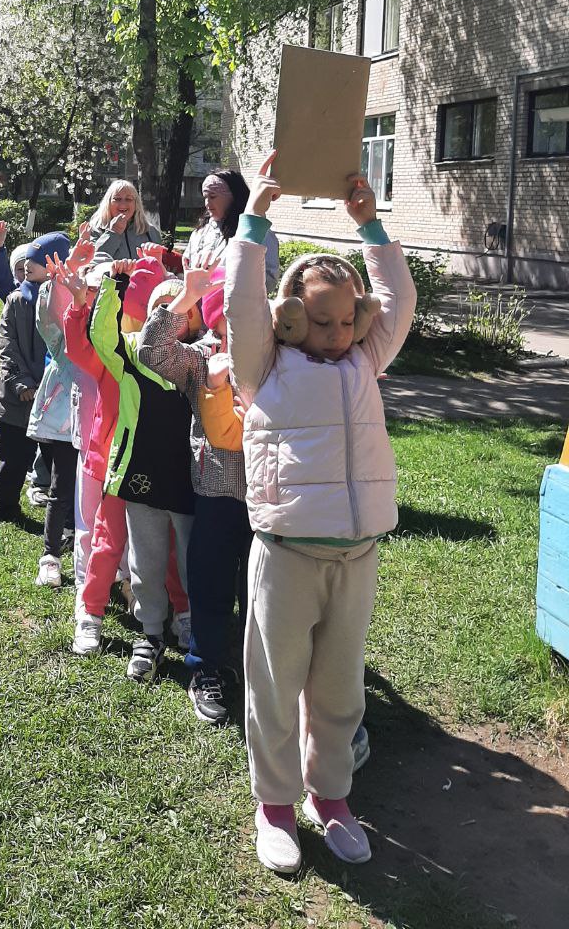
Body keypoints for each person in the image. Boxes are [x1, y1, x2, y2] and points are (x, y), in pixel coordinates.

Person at [226, 151, 416, 874]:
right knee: (276, 685)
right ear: (290, 318)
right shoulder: (264, 365)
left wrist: (370, 227)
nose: (337, 333)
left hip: (357, 554)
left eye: (347, 320)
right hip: (287, 555)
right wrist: (255, 219)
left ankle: (329, 797)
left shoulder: (366, 360)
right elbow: (240, 305)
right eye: (321, 320)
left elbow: (399, 299)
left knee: (339, 688)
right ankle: (274, 806)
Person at [137, 260, 249, 725]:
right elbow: (151, 351)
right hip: (216, 493)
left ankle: (254, 668)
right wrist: (185, 299)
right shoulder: (201, 358)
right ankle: (205, 669)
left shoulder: (280, 356)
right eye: (229, 318)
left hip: (270, 495)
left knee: (261, 591)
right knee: (210, 585)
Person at [86, 264, 198, 681]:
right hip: (142, 475)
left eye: (181, 307)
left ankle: (191, 622)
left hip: (190, 479)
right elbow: (101, 336)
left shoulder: (201, 356)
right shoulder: (133, 351)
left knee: (190, 559)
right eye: (162, 307)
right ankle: (150, 633)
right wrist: (113, 287)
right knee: (145, 560)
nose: (172, 314)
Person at [0, 234, 54, 525]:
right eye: (23, 265)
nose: (28, 269)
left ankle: (65, 517)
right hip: (17, 396)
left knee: (58, 460)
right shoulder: (16, 300)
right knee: (12, 456)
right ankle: (5, 505)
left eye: (34, 263)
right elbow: (6, 343)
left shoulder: (63, 301)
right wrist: (21, 382)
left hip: (53, 394)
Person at [26, 236, 81, 587]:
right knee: (61, 490)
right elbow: (48, 314)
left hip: (98, 423)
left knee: (88, 493)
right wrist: (68, 272)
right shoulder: (62, 337)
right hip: (61, 423)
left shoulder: (105, 331)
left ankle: (79, 542)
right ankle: (50, 556)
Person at [185, 170, 280, 293]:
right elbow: (187, 267)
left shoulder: (259, 234)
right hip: (196, 302)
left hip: (236, 303)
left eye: (213, 196)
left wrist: (231, 286)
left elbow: (269, 279)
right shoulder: (199, 233)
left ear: (233, 197)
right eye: (205, 197)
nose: (207, 204)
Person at [87, 180, 161, 261]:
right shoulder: (95, 229)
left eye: (128, 199)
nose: (123, 204)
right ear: (108, 203)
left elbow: (159, 264)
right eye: (117, 199)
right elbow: (93, 261)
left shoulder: (149, 231)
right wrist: (113, 233)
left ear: (136, 204)